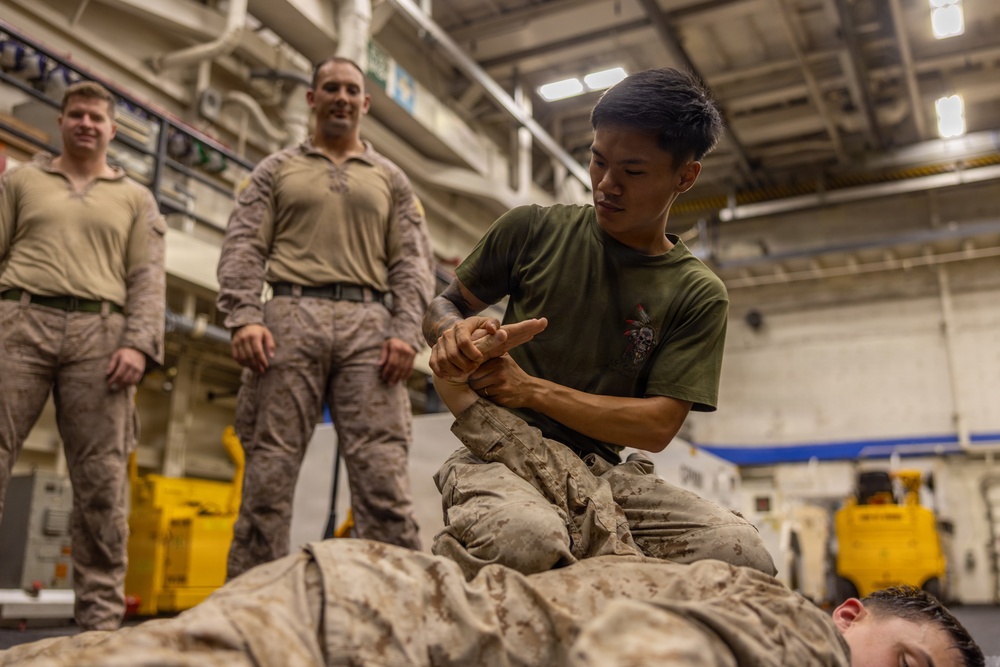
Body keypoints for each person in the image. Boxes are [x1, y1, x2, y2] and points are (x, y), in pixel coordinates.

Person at [422, 67, 774, 578]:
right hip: (495, 454)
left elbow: (656, 426)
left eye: (632, 172)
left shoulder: (696, 293)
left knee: (742, 554)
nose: (606, 185)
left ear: (685, 176)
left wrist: (530, 390)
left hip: (603, 473)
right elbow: (445, 304)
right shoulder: (532, 230)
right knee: (528, 541)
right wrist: (451, 334)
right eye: (597, 160)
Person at [216, 56, 435, 579]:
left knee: (383, 481)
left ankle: (403, 608)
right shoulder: (275, 170)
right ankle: (253, 609)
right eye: (329, 87)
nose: (341, 96)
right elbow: (244, 244)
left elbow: (413, 263)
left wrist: (407, 331)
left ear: (365, 102)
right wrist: (245, 316)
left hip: (370, 327)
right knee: (267, 477)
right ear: (312, 99)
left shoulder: (391, 180)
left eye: (351, 89)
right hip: (288, 317)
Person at [0, 81, 166, 630]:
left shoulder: (135, 197)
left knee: (100, 482)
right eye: (77, 115)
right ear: (61, 122)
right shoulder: (22, 180)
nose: (86, 124)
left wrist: (139, 343)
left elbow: (146, 278)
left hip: (102, 335)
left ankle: (99, 622)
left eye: (97, 117)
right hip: (19, 322)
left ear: (112, 130)